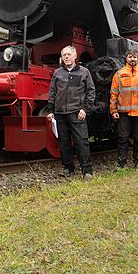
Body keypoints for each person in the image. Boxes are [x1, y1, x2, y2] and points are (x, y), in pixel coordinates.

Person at [46, 45, 96, 178]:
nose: (66, 57)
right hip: (60, 113)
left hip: (77, 113)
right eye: (64, 55)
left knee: (81, 142)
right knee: (64, 143)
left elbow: (91, 92)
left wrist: (85, 109)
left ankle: (87, 170)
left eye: (69, 54)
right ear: (61, 58)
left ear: (75, 56)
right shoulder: (57, 73)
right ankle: (68, 168)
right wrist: (51, 110)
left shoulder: (84, 72)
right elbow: (52, 92)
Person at [110, 48, 138, 170]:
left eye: (134, 57)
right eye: (130, 57)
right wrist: (113, 110)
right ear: (126, 58)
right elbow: (114, 93)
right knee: (122, 139)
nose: (132, 59)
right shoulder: (119, 74)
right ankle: (121, 165)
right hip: (123, 113)